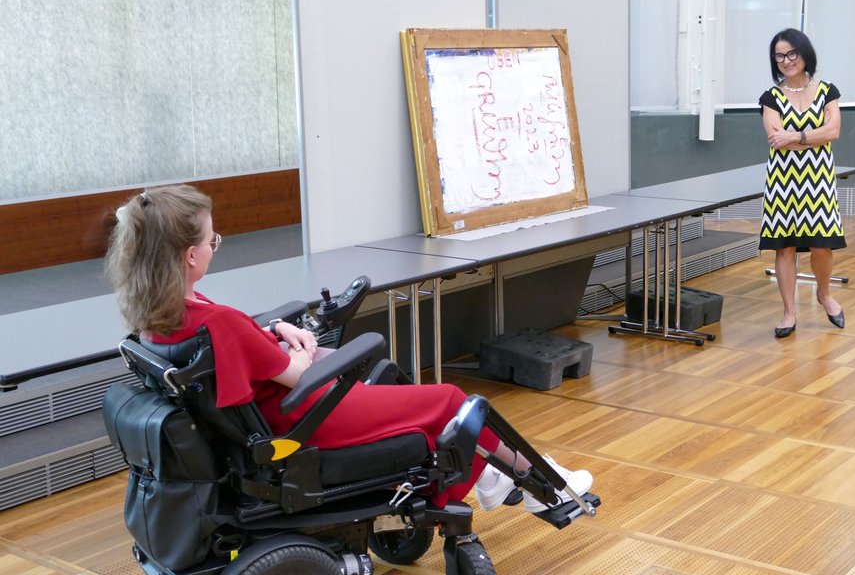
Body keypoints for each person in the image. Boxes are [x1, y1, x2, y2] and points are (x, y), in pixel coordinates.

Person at [105, 184, 592, 512]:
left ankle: (494, 482)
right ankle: (543, 485)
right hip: (303, 420)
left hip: (269, 420)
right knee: (448, 401)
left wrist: (275, 330)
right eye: (214, 240)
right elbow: (293, 376)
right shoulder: (219, 320)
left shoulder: (161, 316)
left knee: (410, 395)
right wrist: (302, 352)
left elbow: (237, 344)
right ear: (192, 255)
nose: (216, 245)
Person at [758, 28, 846, 339]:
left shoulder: (827, 91)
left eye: (791, 53)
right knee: (785, 247)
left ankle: (824, 295)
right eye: (780, 56)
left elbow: (833, 132)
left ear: (805, 54)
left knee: (822, 245)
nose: (786, 60)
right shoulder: (771, 97)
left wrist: (795, 136)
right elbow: (775, 139)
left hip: (818, 180)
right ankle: (789, 312)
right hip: (782, 182)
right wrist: (812, 134)